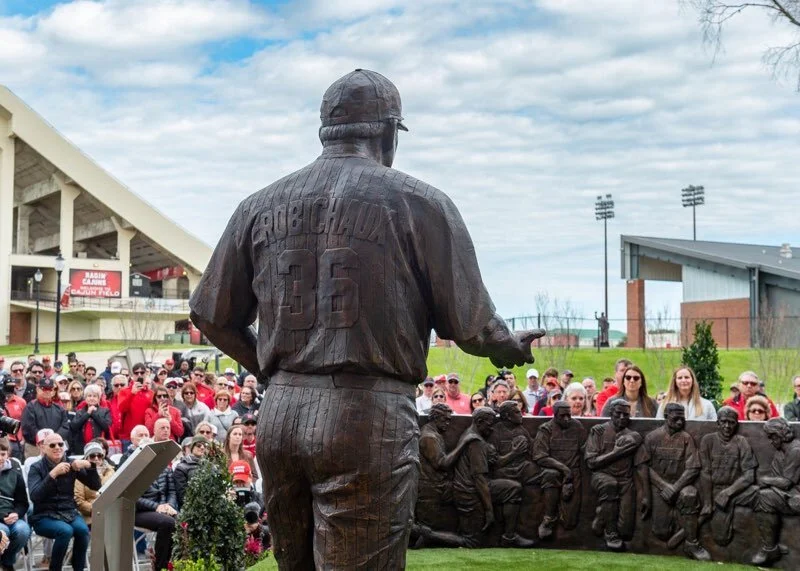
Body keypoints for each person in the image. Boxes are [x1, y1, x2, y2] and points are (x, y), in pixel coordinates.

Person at [189, 68, 540, 569]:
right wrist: (508, 345)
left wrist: (268, 370)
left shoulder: (257, 206)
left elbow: (209, 314)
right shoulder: (421, 202)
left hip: (281, 414)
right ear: (389, 132)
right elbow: (473, 325)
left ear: (325, 131)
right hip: (367, 416)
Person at [452, 407, 535, 548]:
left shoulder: (474, 436)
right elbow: (479, 479)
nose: (491, 429)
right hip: (470, 492)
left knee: (513, 488)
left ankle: (509, 536)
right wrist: (489, 510)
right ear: (479, 422)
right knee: (472, 542)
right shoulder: (476, 442)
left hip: (470, 487)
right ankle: (428, 533)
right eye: (489, 425)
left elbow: (493, 464)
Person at [636, 403, 710, 561]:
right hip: (659, 487)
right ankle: (682, 519)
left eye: (682, 419)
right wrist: (663, 486)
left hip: (682, 485)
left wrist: (675, 488)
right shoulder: (652, 437)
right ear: (665, 417)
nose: (680, 422)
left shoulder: (686, 438)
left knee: (690, 495)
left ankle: (691, 542)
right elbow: (644, 466)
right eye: (676, 418)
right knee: (661, 533)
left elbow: (693, 468)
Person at [28, 433, 100, 571]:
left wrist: (89, 465)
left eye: (60, 444)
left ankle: (78, 568)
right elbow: (35, 496)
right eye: (52, 445)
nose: (57, 447)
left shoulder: (71, 463)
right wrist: (53, 474)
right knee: (65, 531)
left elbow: (95, 486)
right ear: (44, 448)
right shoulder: (36, 468)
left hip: (69, 512)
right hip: (43, 515)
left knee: (83, 531)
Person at [585, 398, 643, 550]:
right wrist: (616, 453)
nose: (622, 417)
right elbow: (592, 463)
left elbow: (637, 438)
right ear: (611, 413)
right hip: (602, 476)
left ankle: (602, 515)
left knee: (626, 532)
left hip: (625, 481)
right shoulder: (598, 431)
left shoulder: (632, 436)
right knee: (610, 485)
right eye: (618, 414)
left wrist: (633, 439)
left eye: (626, 414)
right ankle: (610, 532)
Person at [699, 406, 757, 547]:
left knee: (760, 494)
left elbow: (749, 475)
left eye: (731, 422)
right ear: (717, 423)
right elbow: (705, 472)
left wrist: (728, 493)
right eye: (723, 421)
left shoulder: (741, 442)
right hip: (714, 490)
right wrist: (708, 502)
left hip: (736, 491)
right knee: (721, 539)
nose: (727, 426)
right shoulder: (708, 440)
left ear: (736, 424)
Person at [750, 418, 800, 566]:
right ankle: (771, 547)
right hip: (788, 495)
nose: (771, 442)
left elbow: (786, 482)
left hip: (796, 496)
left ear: (780, 435)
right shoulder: (780, 453)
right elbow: (777, 479)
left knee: (764, 497)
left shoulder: (796, 450)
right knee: (757, 494)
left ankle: (770, 549)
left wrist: (766, 481)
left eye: (772, 437)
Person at [533, 402, 586, 538]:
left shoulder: (577, 426)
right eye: (563, 416)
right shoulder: (546, 429)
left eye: (569, 415)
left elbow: (585, 448)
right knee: (551, 474)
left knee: (569, 523)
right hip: (553, 471)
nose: (567, 419)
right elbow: (540, 456)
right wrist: (564, 469)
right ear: (555, 415)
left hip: (573, 474)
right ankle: (549, 518)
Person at [134, 454, 178, 571]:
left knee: (183, 521)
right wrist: (156, 507)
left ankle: (173, 563)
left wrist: (169, 505)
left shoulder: (165, 468)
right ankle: (160, 566)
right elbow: (134, 498)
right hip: (141, 511)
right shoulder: (137, 470)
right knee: (168, 522)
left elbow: (172, 491)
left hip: (163, 508)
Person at [0, 439, 30, 571]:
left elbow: (23, 502)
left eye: (3, 454)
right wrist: (3, 516)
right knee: (3, 532)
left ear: (8, 454)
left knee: (23, 530)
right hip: (1, 519)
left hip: (12, 516)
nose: (0, 458)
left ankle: (7, 560)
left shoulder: (15, 471)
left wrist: (16, 513)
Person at [21, 377, 69, 459]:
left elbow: (65, 427)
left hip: (55, 446)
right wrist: (44, 441)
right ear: (38, 390)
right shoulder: (30, 407)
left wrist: (53, 440)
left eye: (50, 389)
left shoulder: (59, 409)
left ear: (53, 391)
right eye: (44, 389)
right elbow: (28, 428)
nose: (47, 391)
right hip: (36, 447)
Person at [73, 440, 115, 527]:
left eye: (99, 456)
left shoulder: (111, 471)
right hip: (91, 515)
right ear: (86, 458)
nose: (96, 458)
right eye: (92, 456)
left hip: (111, 511)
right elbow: (79, 501)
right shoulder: (81, 473)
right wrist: (98, 509)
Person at [117, 364, 155, 446]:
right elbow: (121, 409)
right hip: (129, 437)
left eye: (142, 373)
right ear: (132, 375)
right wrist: (132, 393)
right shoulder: (124, 391)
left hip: (146, 436)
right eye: (136, 373)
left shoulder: (151, 393)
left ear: (146, 374)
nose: (139, 375)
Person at [70, 385, 112, 454]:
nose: (92, 398)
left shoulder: (105, 411)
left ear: (99, 398)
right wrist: (87, 413)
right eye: (89, 396)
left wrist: (93, 413)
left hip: (99, 446)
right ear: (85, 398)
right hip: (81, 447)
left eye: (95, 396)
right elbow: (74, 426)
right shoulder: (79, 412)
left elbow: (106, 427)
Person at [174, 436, 208, 507]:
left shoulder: (211, 466)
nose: (202, 447)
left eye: (205, 445)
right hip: (191, 507)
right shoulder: (181, 468)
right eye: (198, 445)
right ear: (192, 448)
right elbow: (182, 496)